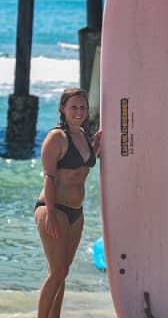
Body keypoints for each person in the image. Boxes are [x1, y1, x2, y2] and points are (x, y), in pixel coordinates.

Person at [34, 88, 101, 318]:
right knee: (57, 271)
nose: (79, 111)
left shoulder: (82, 135)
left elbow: (82, 170)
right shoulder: (57, 137)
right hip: (54, 209)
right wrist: (51, 213)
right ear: (63, 109)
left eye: (82, 107)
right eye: (74, 107)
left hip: (76, 212)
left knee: (63, 272)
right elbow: (50, 178)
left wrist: (97, 147)